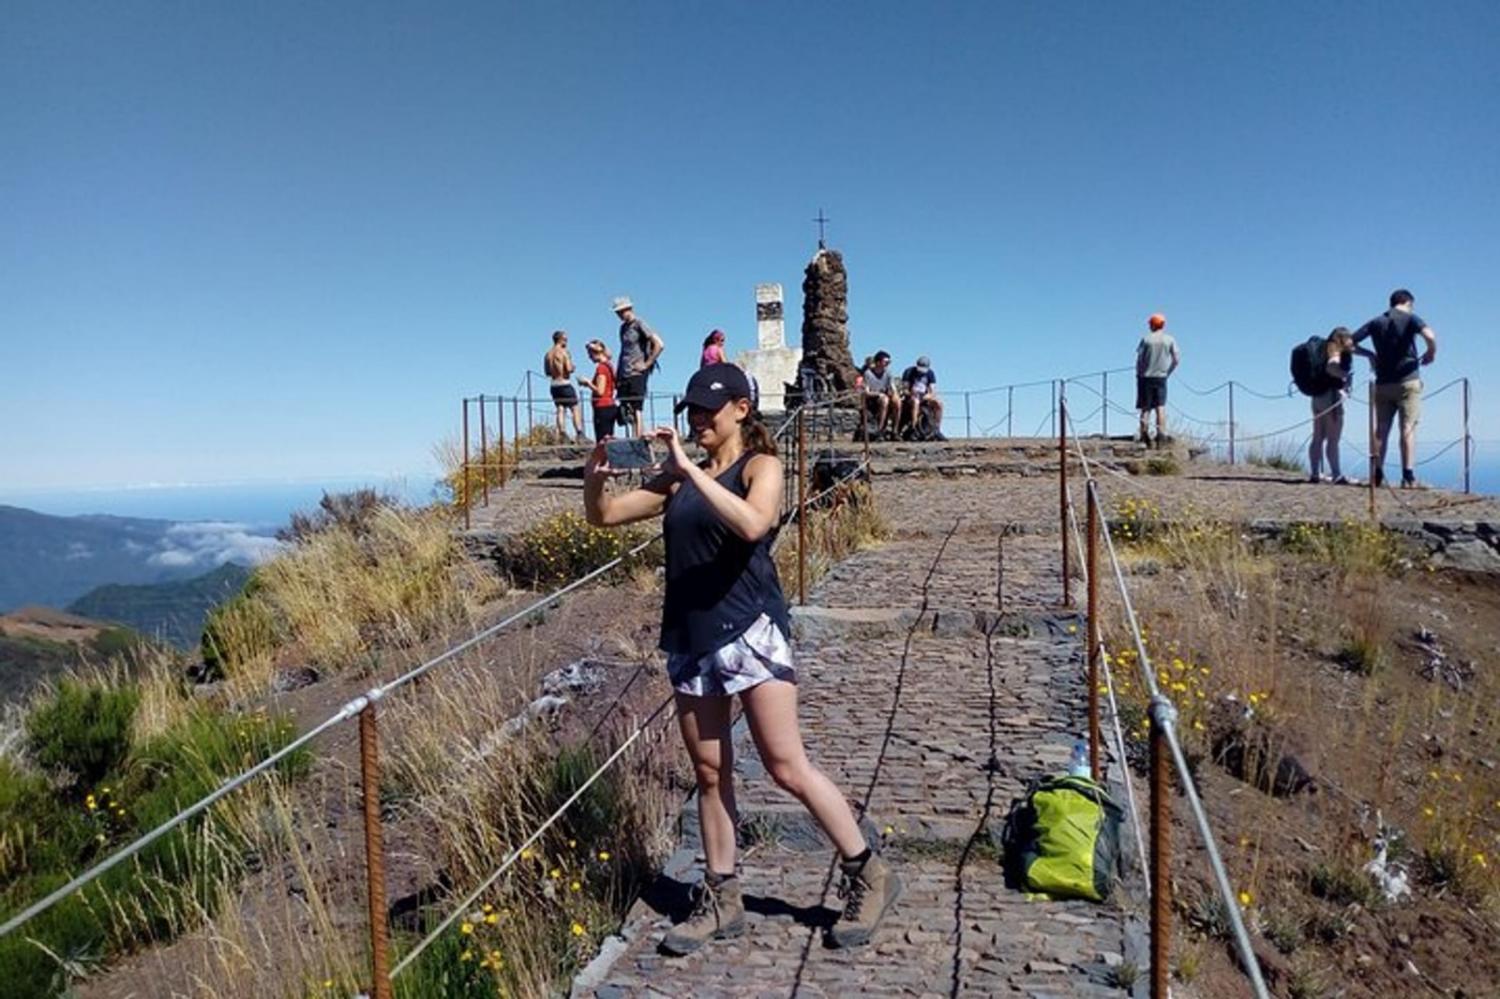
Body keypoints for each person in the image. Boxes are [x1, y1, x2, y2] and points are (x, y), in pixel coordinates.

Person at [582, 362, 901, 955]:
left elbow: (755, 523)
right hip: (691, 637)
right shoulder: (684, 476)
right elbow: (602, 516)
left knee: (786, 766)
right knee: (709, 774)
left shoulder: (761, 467)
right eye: (692, 411)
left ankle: (868, 873)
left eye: (708, 409)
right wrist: (595, 478)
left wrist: (690, 475)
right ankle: (721, 898)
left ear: (740, 409)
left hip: (750, 630)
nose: (698, 419)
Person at [1353, 289, 1438, 488]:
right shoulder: (1411, 318)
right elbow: (1430, 336)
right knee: (1407, 427)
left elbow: (1349, 343)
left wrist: (1370, 355)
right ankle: (1408, 477)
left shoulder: (1376, 322)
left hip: (1383, 382)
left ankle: (1377, 475)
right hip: (1408, 380)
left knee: (1381, 429)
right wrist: (1431, 352)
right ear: (1408, 302)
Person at [1307, 328, 1358, 484]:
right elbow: (1332, 366)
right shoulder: (1334, 350)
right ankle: (1336, 474)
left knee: (1317, 436)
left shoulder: (1321, 349)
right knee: (1333, 439)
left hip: (1317, 396)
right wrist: (1345, 376)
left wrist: (1370, 356)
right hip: (1331, 397)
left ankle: (1315, 473)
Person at [612, 296, 666, 438]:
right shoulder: (623, 328)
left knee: (637, 407)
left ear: (629, 309)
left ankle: (638, 439)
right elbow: (623, 351)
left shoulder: (639, 324)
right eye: (618, 312)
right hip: (625, 372)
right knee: (626, 408)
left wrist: (647, 364)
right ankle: (634, 438)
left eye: (621, 311)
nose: (620, 315)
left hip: (637, 372)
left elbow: (659, 344)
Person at [1135, 313, 1180, 446]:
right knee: (1160, 406)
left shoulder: (1146, 339)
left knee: (1145, 408)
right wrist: (1168, 371)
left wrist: (1139, 373)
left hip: (1146, 377)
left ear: (1153, 325)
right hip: (1161, 377)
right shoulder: (1169, 339)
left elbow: (1139, 359)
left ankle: (1144, 436)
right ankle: (1161, 436)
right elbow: (1176, 359)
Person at [543, 330, 587, 443]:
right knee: (575, 407)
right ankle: (579, 433)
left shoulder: (548, 354)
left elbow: (547, 372)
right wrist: (572, 366)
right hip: (564, 383)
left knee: (560, 408)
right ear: (561, 339)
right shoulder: (563, 352)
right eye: (565, 339)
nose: (567, 342)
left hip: (554, 385)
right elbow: (568, 368)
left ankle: (562, 433)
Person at [578, 339, 619, 444]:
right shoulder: (610, 366)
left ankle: (604, 460)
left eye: (590, 354)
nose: (589, 357)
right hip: (610, 405)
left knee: (602, 442)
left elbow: (600, 391)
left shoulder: (601, 368)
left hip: (602, 407)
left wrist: (587, 383)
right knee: (608, 440)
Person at [899, 356, 944, 441]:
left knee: (939, 404)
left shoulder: (930, 373)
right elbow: (905, 390)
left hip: (924, 397)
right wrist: (911, 394)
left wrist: (928, 396)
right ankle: (914, 428)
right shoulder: (909, 372)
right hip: (911, 397)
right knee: (916, 402)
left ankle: (937, 429)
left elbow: (932, 390)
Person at [860, 351, 900, 440]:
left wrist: (895, 394)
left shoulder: (888, 373)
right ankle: (880, 429)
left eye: (888, 362)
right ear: (878, 362)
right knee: (884, 400)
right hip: (873, 398)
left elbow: (892, 387)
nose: (887, 364)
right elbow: (867, 392)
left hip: (884, 395)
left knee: (897, 401)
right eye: (885, 362)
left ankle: (895, 430)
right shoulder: (868, 373)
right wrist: (879, 394)